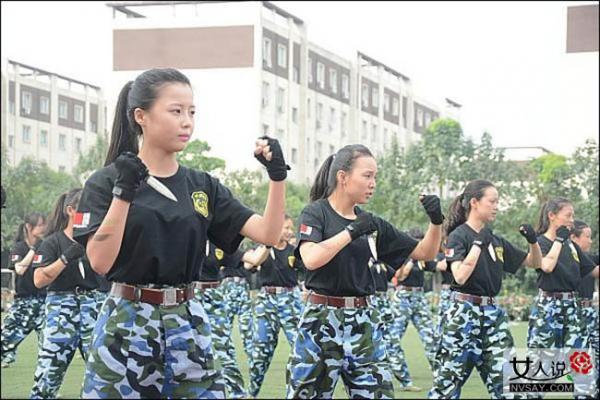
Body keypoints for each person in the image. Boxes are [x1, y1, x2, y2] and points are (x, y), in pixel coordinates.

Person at [73, 68, 288, 398]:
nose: (187, 121)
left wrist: (276, 178)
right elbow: (100, 262)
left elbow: (270, 235)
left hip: (188, 319)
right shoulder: (106, 182)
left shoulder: (202, 185)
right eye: (176, 111)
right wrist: (124, 191)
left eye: (191, 112)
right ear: (141, 116)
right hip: (128, 320)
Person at [286, 144, 443, 399]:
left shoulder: (372, 223)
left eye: (375, 177)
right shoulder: (316, 213)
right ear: (343, 177)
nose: (373, 183)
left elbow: (424, 253)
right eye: (367, 175)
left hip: (363, 322)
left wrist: (436, 222)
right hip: (322, 320)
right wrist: (351, 232)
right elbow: (312, 258)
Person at [428, 179, 542, 399]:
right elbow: (460, 276)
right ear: (474, 202)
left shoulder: (495, 240)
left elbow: (535, 263)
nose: (496, 206)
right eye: (492, 201)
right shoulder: (458, 236)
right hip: (463, 314)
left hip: (492, 316)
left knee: (512, 385)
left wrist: (533, 242)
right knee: (446, 387)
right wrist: (478, 244)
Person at [29, 188, 100, 399]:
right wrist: (65, 258)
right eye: (84, 209)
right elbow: (39, 280)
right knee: (49, 373)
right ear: (71, 210)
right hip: (61, 308)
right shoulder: (52, 242)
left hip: (92, 304)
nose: (90, 214)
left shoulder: (95, 241)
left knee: (101, 372)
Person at [527, 198, 599, 397]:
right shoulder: (540, 242)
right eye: (568, 216)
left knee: (583, 370)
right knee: (540, 372)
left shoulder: (571, 246)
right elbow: (547, 266)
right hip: (548, 309)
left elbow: (594, 270)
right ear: (552, 216)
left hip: (573, 309)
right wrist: (559, 239)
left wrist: (564, 241)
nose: (572, 221)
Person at [246, 215, 304, 398]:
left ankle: (295, 393)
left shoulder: (295, 251)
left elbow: (308, 271)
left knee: (300, 350)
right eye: (284, 227)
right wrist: (268, 243)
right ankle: (251, 394)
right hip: (267, 302)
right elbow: (251, 264)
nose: (288, 231)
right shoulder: (263, 250)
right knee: (260, 355)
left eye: (290, 228)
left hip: (290, 300)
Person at [1, 213, 47, 368]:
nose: (43, 228)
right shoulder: (19, 247)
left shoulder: (46, 245)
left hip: (43, 301)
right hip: (23, 301)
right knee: (7, 334)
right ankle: (7, 356)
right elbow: (19, 269)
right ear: (29, 227)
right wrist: (33, 250)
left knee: (48, 340)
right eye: (40, 225)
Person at [390, 228, 438, 374]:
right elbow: (400, 276)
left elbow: (438, 266)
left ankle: (439, 370)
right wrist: (412, 259)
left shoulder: (423, 258)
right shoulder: (403, 256)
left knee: (430, 335)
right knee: (394, 337)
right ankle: (398, 372)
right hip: (403, 297)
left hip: (419, 297)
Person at [570, 220, 599, 397]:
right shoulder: (568, 259)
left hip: (591, 314)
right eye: (587, 237)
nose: (590, 241)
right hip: (574, 314)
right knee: (581, 362)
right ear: (573, 238)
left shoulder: (590, 259)